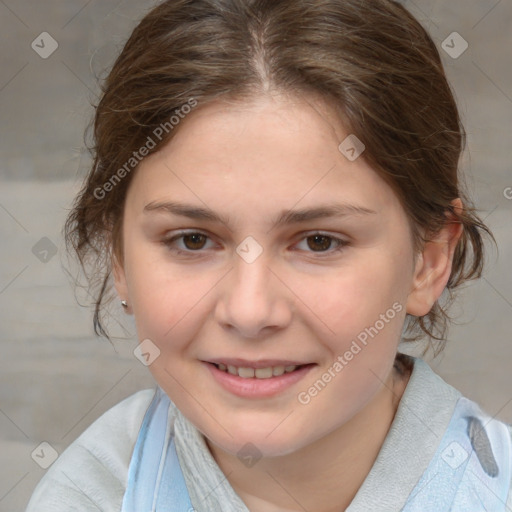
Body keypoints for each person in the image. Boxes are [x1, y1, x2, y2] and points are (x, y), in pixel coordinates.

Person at [25, 0, 512, 510]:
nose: (250, 311)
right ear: (119, 258)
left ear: (428, 260)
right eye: (192, 240)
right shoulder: (90, 495)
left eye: (318, 241)